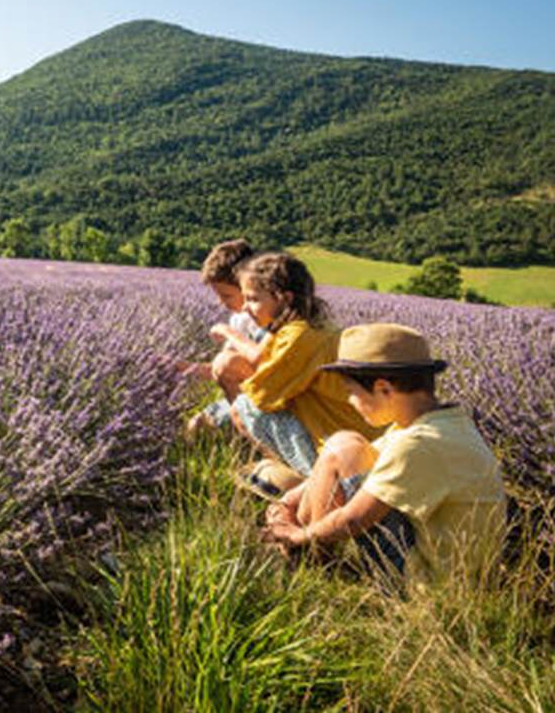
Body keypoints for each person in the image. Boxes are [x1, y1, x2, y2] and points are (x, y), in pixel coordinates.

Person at [263, 323, 506, 585]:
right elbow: (348, 461)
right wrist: (287, 502)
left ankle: (307, 565)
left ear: (384, 389)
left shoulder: (418, 444)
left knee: (343, 447)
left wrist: (298, 535)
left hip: (430, 584)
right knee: (347, 446)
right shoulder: (441, 424)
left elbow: (354, 519)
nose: (351, 403)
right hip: (453, 571)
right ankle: (302, 557)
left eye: (351, 393)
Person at [229, 252, 380, 483]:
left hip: (342, 447)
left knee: (243, 407)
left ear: (285, 298)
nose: (245, 309)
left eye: (253, 299)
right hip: (360, 439)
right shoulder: (314, 326)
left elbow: (261, 396)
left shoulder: (299, 336)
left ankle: (307, 482)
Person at [179, 239, 268, 434]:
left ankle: (254, 436)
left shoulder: (269, 318)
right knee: (194, 426)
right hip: (245, 396)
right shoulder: (238, 319)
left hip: (269, 402)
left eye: (226, 296)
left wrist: (229, 333)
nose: (221, 303)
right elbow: (218, 369)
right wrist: (181, 367)